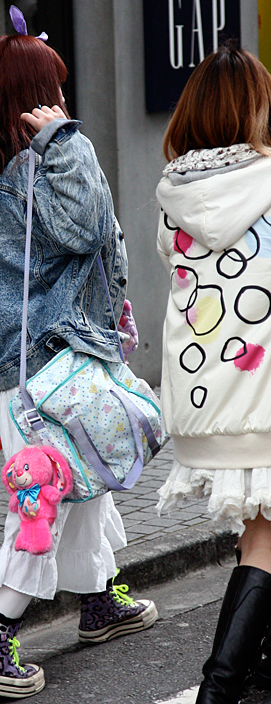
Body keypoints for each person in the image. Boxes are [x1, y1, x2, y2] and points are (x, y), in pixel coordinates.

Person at [0, 9, 157, 700]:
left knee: (83, 484)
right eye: (56, 89)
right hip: (52, 374)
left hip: (38, 375)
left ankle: (97, 601)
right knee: (41, 508)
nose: (65, 100)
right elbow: (90, 225)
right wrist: (66, 139)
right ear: (34, 98)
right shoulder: (30, 170)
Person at [155, 44, 271, 703]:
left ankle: (259, 668)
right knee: (264, 540)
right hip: (264, 398)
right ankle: (219, 689)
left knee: (259, 532)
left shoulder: (173, 195)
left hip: (206, 400)